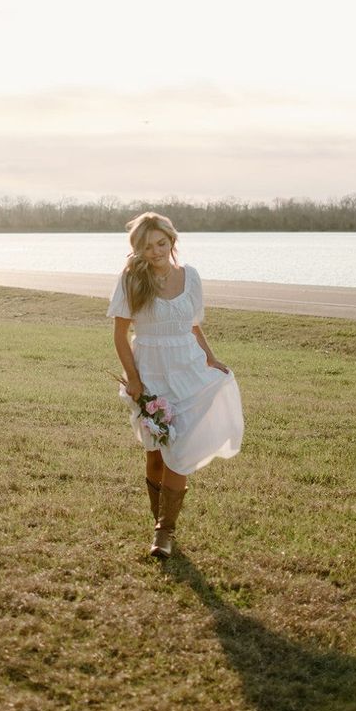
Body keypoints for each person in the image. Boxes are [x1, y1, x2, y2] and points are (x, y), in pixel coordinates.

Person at [108, 212, 244, 558]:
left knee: (178, 455)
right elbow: (120, 336)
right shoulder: (130, 280)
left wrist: (211, 359)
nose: (155, 251)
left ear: (172, 241)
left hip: (188, 371)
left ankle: (164, 533)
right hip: (151, 373)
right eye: (147, 246)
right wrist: (135, 380)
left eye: (161, 243)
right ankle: (160, 522)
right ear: (137, 248)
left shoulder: (191, 277)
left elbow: (193, 326)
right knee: (155, 455)